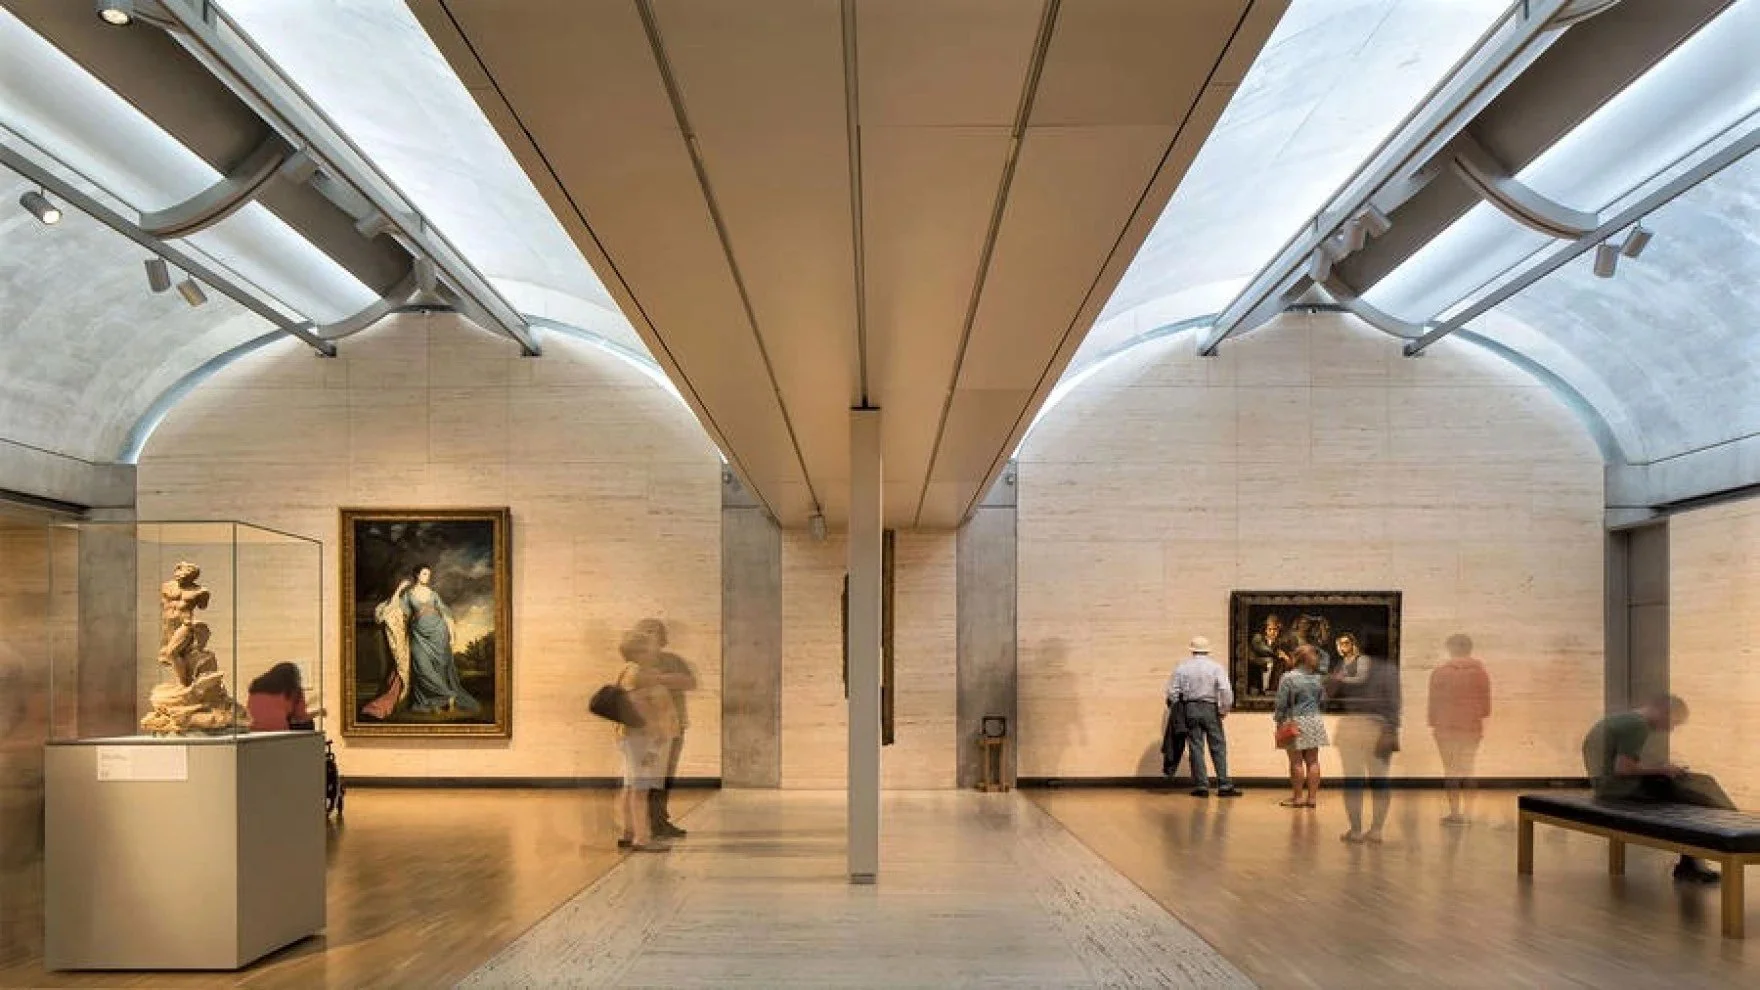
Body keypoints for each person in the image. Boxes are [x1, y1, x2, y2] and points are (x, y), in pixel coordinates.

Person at [1583, 696, 1737, 884]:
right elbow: (1623, 769)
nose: (1671, 729)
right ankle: (1729, 827)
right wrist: (1663, 769)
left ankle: (1694, 859)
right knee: (1697, 792)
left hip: (1605, 785)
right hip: (1619, 789)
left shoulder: (1623, 720)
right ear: (1664, 712)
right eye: (1674, 722)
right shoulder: (1638, 726)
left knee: (1694, 785)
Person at [361, 563, 480, 719]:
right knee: (421, 667)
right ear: (417, 575)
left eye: (428, 574)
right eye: (424, 574)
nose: (427, 577)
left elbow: (446, 614)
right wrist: (399, 589)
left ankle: (438, 702)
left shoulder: (433, 594)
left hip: (438, 633)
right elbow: (393, 608)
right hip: (418, 635)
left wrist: (451, 634)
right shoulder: (409, 595)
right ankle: (446, 695)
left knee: (438, 668)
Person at [615, 631, 691, 852]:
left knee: (632, 784)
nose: (654, 653)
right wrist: (655, 732)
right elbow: (639, 704)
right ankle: (642, 838)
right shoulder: (637, 673)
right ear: (638, 652)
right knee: (641, 787)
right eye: (649, 649)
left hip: (634, 738)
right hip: (642, 738)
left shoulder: (632, 671)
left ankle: (629, 832)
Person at [1329, 632, 1399, 843]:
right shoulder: (1389, 670)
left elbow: (1331, 692)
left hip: (1352, 727)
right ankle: (1376, 830)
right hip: (1379, 727)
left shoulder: (1346, 667)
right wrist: (1391, 729)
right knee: (1380, 781)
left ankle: (1356, 830)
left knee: (1353, 781)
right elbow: (1394, 705)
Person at [635, 618, 696, 839]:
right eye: (647, 631)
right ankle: (644, 824)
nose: (652, 635)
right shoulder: (635, 664)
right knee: (647, 777)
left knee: (666, 775)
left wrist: (658, 678)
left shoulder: (673, 660)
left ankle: (660, 820)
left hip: (675, 726)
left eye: (656, 631)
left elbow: (689, 682)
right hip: (648, 730)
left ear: (663, 638)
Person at [1429, 634, 1492, 825]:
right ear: (1469, 649)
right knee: (1468, 769)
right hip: (1471, 729)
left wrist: (1435, 724)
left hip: (1445, 729)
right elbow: (1486, 709)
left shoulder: (1440, 673)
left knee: (1450, 771)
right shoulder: (1481, 673)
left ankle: (1455, 813)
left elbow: (1433, 706)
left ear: (1450, 649)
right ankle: (1469, 814)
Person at [1168, 636, 1239, 798]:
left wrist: (1178, 708)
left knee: (1195, 747)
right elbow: (1226, 690)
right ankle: (1224, 785)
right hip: (1210, 708)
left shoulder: (1182, 667)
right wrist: (1224, 709)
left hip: (1190, 708)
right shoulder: (1216, 667)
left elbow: (1172, 692)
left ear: (1192, 650)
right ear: (1208, 650)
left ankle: (1201, 786)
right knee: (1218, 746)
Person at [1274, 644, 1328, 808]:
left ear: (1296, 657)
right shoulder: (1318, 679)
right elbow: (1322, 700)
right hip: (1315, 720)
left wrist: (1278, 721)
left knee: (1296, 761)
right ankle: (1312, 799)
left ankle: (1298, 798)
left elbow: (1281, 703)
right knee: (1313, 761)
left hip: (1295, 721)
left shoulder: (1288, 678)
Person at [246, 662, 324, 732]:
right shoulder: (294, 690)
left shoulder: (257, 687)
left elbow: (266, 711)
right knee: (308, 723)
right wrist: (318, 712)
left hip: (253, 730)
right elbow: (300, 717)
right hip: (279, 731)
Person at [1248, 614, 1289, 697]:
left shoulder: (1281, 643)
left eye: (1275, 630)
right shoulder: (1258, 639)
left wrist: (1284, 657)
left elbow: (1286, 658)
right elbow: (1257, 653)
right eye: (1270, 629)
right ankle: (1264, 689)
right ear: (1266, 630)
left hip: (1274, 671)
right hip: (1258, 667)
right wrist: (1275, 655)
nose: (1273, 632)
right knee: (1269, 662)